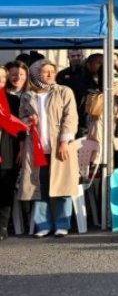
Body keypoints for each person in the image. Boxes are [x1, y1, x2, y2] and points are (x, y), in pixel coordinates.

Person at [16, 60, 80, 238]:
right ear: (36, 75)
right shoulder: (27, 95)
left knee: (62, 186)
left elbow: (71, 117)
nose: (50, 75)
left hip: (60, 147)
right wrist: (29, 121)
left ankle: (62, 224)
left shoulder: (63, 92)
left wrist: (64, 141)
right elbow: (21, 118)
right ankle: (43, 224)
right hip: (36, 148)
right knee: (38, 186)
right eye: (45, 72)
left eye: (52, 71)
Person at [1, 61, 29, 239]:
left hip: (7, 149)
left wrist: (21, 147)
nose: (1, 80)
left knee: (5, 188)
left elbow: (19, 128)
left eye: (3, 77)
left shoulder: (12, 100)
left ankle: (2, 226)